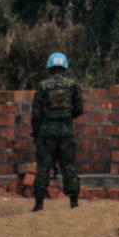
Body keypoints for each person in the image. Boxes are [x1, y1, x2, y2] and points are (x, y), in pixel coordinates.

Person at [31, 50, 85, 211]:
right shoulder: (73, 85)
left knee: (43, 167)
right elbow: (79, 109)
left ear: (50, 67)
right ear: (64, 67)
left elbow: (36, 114)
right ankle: (74, 203)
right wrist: (67, 118)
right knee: (68, 166)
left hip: (47, 132)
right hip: (66, 132)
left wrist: (36, 132)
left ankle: (39, 205)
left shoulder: (42, 86)